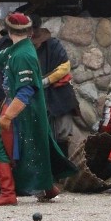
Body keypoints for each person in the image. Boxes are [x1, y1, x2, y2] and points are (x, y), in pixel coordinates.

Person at [0, 12, 77, 207]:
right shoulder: (18, 49)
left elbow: (26, 89)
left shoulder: (23, 55)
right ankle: (49, 188)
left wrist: (8, 116)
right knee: (36, 148)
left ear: (8, 31)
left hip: (22, 110)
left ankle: (8, 193)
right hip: (24, 109)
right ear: (29, 32)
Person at [29, 14, 79, 158]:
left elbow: (65, 66)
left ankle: (62, 169)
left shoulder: (53, 45)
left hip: (60, 94)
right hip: (35, 95)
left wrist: (47, 80)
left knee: (63, 132)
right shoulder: (24, 50)